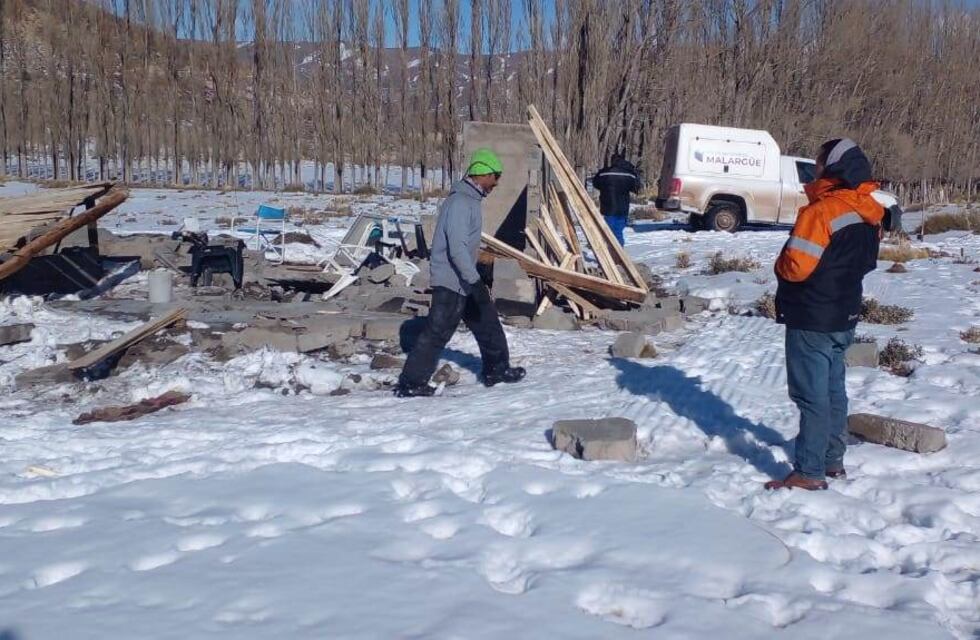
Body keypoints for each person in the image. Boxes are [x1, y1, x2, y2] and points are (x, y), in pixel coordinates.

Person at [766, 138, 885, 491]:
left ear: (830, 168)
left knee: (811, 396)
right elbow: (866, 262)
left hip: (812, 316)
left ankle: (808, 470)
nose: (814, 169)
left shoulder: (821, 212)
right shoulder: (871, 211)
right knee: (834, 390)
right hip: (845, 311)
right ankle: (833, 460)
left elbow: (796, 266)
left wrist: (780, 265)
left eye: (818, 163)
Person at [395, 149, 526, 398]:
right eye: (494, 176)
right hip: (452, 280)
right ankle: (411, 382)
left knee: (488, 323)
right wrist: (474, 280)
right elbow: (456, 248)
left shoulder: (470, 200)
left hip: (464, 278)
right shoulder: (460, 203)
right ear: (481, 174)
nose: (496, 183)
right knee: (438, 331)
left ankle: (497, 370)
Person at [591, 153, 641, 246]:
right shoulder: (629, 174)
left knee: (610, 232)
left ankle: (613, 254)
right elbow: (636, 187)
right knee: (618, 232)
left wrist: (605, 188)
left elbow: (595, 184)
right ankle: (618, 254)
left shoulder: (604, 173)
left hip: (608, 207)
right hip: (623, 207)